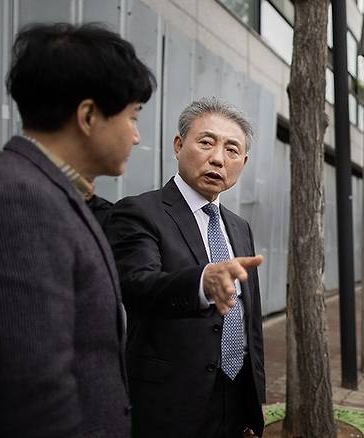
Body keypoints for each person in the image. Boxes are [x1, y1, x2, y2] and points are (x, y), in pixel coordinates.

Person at [0, 23, 156, 438]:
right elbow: (30, 391)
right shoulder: (17, 198)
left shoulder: (50, 190)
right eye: (132, 116)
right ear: (89, 116)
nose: (136, 135)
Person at [105, 98, 266, 438]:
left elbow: (250, 321)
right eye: (206, 142)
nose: (218, 158)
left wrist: (253, 404)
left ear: (243, 162)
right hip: (170, 401)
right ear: (179, 146)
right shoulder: (138, 212)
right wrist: (202, 283)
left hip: (233, 396)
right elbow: (136, 286)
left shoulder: (239, 227)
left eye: (232, 149)